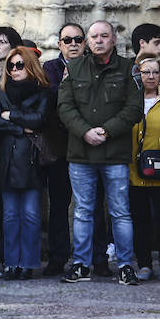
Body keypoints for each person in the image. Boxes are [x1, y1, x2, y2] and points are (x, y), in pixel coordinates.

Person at [56, 20, 144, 285]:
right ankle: (82, 264)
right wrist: (85, 131)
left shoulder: (130, 69)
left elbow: (134, 108)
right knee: (82, 210)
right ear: (87, 41)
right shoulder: (73, 68)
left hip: (115, 154)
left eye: (104, 36)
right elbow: (64, 107)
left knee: (120, 211)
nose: (98, 40)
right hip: (81, 154)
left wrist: (104, 131)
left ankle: (126, 265)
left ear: (114, 40)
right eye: (93, 36)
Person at [0, 47, 51, 279]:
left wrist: (11, 115)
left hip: (31, 159)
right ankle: (11, 263)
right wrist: (21, 126)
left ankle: (29, 263)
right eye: (11, 66)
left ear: (30, 65)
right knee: (10, 215)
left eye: (19, 65)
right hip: (6, 159)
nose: (14, 70)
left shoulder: (43, 92)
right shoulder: (1, 91)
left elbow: (39, 120)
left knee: (31, 215)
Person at [42, 23, 88, 275]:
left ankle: (93, 258)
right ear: (59, 44)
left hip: (88, 147)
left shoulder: (93, 66)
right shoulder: (50, 68)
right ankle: (58, 258)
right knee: (59, 205)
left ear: (84, 43)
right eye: (67, 40)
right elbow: (49, 101)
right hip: (59, 147)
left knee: (89, 204)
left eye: (77, 40)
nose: (72, 44)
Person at [130, 56, 160, 279]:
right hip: (134, 171)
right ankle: (144, 264)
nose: (151, 76)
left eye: (155, 72)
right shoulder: (131, 101)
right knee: (140, 220)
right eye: (146, 72)